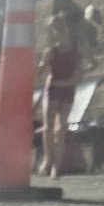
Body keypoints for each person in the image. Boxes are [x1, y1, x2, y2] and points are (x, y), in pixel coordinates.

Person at [36, 12, 87, 178]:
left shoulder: (76, 49)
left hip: (66, 90)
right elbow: (39, 71)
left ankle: (56, 166)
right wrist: (38, 67)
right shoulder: (51, 52)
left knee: (60, 129)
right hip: (52, 90)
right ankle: (48, 159)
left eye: (60, 27)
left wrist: (81, 73)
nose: (58, 31)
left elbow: (88, 65)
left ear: (66, 28)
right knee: (48, 127)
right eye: (54, 29)